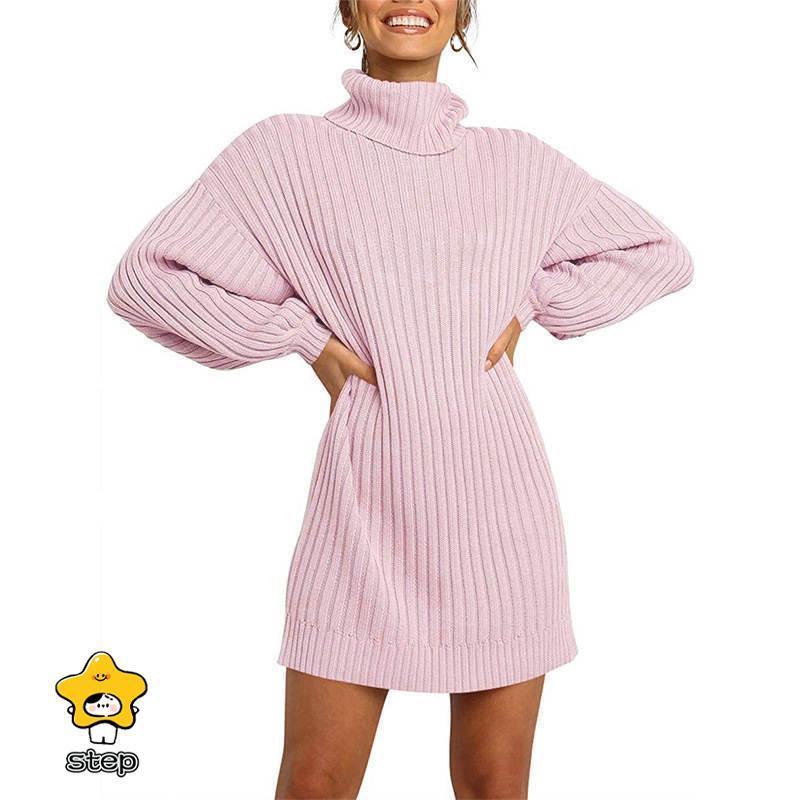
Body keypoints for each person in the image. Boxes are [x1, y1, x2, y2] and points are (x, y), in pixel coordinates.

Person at [106, 1, 693, 797]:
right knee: (315, 782)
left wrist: (532, 304)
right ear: (350, 6)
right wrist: (302, 336)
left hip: (500, 517)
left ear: (461, 11)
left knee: (494, 783)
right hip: (362, 512)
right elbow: (146, 278)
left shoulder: (518, 164)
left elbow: (659, 253)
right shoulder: (285, 154)